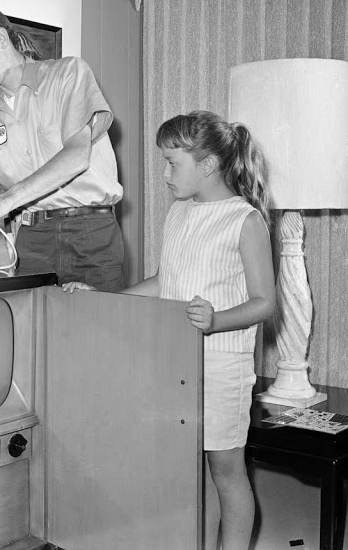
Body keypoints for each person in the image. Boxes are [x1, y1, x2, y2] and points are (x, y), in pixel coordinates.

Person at [63, 110, 275, 550]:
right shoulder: (178, 213)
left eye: (172, 163)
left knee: (226, 471)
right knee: (183, 471)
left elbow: (264, 302)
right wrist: (105, 299)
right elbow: (165, 280)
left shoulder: (244, 220)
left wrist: (217, 320)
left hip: (221, 367)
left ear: (208, 164)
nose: (164, 174)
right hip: (173, 362)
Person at [0, 4, 125, 292]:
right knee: (33, 323)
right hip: (32, 240)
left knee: (97, 322)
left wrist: (4, 202)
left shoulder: (68, 74)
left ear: (0, 38)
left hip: (89, 232)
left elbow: (76, 156)